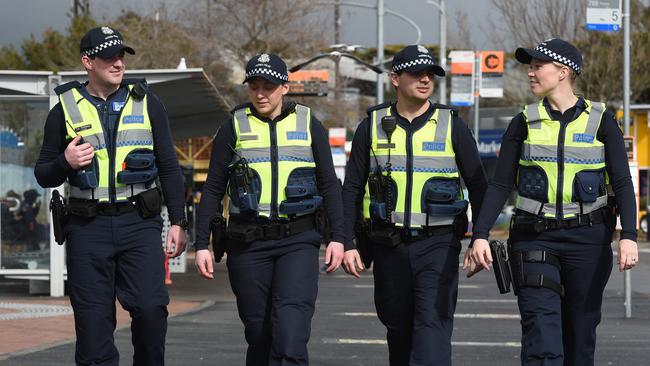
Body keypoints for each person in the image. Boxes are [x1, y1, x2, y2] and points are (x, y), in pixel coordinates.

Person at [466, 38, 638, 366]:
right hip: (534, 238)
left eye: (537, 66)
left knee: (580, 335)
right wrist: (480, 235)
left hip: (588, 240)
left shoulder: (602, 121)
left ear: (563, 72)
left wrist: (628, 234)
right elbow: (501, 183)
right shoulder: (523, 121)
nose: (530, 73)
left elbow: (622, 181)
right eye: (529, 66)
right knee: (541, 334)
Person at [34, 26, 188, 366]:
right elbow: (43, 172)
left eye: (121, 56)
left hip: (140, 224)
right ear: (87, 62)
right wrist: (65, 161)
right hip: (87, 228)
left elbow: (169, 166)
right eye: (108, 57)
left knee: (150, 311)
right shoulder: (63, 109)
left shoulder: (148, 103)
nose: (118, 63)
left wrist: (178, 221)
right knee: (92, 327)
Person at [194, 53, 345, 366]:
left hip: (298, 241)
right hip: (247, 244)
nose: (261, 93)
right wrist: (201, 244)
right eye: (254, 86)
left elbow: (330, 185)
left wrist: (338, 238)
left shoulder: (309, 124)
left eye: (269, 86)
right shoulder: (233, 126)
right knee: (260, 334)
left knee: (290, 334)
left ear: (285, 87)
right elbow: (212, 188)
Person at [341, 45, 487, 366]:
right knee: (398, 332)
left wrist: (481, 237)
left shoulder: (452, 124)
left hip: (438, 243)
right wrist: (346, 241)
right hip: (387, 246)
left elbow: (479, 185)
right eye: (416, 73)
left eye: (430, 74)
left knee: (431, 328)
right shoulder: (372, 125)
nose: (425, 80)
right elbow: (351, 187)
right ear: (395, 78)